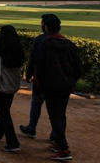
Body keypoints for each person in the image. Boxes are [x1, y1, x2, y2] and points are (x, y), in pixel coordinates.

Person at [36, 15, 82, 161]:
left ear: (47, 28)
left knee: (54, 116)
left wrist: (38, 88)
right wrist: (71, 81)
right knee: (61, 114)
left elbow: (40, 69)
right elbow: (79, 69)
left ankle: (63, 148)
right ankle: (58, 142)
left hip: (51, 86)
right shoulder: (70, 45)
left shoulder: (45, 44)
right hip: (66, 85)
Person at [0, 25, 25, 153]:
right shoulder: (19, 48)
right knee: (5, 109)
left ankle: (12, 142)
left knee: (3, 112)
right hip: (13, 84)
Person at [20, 14, 55, 139]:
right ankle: (55, 135)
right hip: (57, 81)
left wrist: (28, 74)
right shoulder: (64, 41)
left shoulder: (40, 40)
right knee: (55, 110)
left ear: (46, 26)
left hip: (41, 80)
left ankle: (32, 128)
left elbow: (33, 59)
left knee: (36, 103)